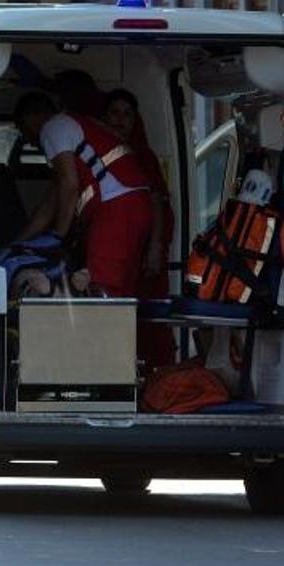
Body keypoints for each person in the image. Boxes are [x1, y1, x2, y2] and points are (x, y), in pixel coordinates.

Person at [15, 92, 152, 298]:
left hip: (115, 212)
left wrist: (58, 237)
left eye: (23, 130)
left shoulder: (53, 128)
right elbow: (51, 203)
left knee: (101, 288)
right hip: (135, 205)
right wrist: (18, 243)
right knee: (122, 290)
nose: (28, 140)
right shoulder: (75, 127)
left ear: (32, 118)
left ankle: (105, 330)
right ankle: (121, 330)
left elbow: (69, 186)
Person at [103, 88, 176, 366]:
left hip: (143, 251)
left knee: (145, 314)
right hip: (117, 249)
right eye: (114, 113)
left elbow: (156, 200)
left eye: (127, 114)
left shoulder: (142, 156)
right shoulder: (100, 151)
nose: (120, 120)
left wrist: (155, 247)